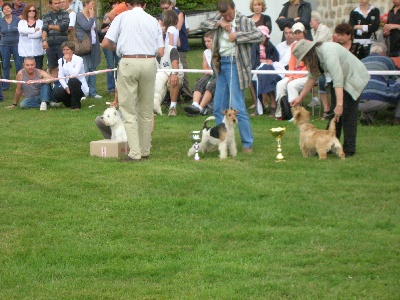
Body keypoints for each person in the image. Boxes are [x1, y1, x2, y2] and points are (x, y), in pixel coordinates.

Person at [102, 0, 164, 162]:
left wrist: (122, 48)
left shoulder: (121, 18)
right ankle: (145, 150)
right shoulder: (153, 20)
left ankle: (135, 153)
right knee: (145, 110)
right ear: (144, 5)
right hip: (150, 63)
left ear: (128, 4)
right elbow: (161, 50)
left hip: (129, 61)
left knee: (128, 110)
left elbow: (106, 43)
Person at [200, 0, 263, 153]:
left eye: (229, 14)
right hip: (220, 65)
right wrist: (220, 23)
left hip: (236, 65)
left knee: (238, 106)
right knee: (218, 107)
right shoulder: (219, 18)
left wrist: (238, 36)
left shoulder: (244, 20)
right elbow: (203, 25)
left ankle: (247, 144)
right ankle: (221, 139)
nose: (228, 18)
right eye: (224, 15)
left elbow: (259, 36)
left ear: (234, 8)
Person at [290, 39, 370, 157]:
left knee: (348, 113)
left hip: (354, 77)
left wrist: (339, 105)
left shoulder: (329, 54)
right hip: (340, 80)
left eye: (304, 59)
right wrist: (300, 98)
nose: (304, 62)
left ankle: (349, 149)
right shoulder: (316, 58)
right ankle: (327, 144)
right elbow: (312, 77)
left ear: (309, 54)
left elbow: (338, 80)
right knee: (334, 114)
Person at [358, 42, 400, 125]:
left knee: (372, 88)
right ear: (383, 52)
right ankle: (397, 118)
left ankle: (366, 116)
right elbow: (394, 77)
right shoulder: (387, 60)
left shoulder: (361, 61)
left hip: (358, 102)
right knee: (392, 86)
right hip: (379, 100)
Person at [274, 22, 308, 120]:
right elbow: (292, 63)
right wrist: (291, 75)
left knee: (291, 85)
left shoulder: (310, 44)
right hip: (295, 74)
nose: (297, 35)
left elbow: (309, 65)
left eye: (299, 33)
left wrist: (294, 76)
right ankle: (280, 114)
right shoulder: (293, 46)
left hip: (306, 75)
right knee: (280, 84)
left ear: (304, 33)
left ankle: (296, 115)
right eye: (295, 33)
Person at [160, 0, 191, 102]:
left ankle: (186, 94)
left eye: (166, 8)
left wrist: (168, 48)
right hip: (175, 49)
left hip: (172, 51)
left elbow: (171, 43)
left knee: (180, 71)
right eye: (162, 8)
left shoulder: (179, 14)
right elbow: (178, 43)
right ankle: (169, 96)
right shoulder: (175, 29)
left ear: (171, 5)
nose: (164, 10)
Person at [250, 25, 280, 117]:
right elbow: (252, 61)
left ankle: (262, 104)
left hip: (269, 68)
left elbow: (275, 58)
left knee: (266, 70)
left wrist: (269, 60)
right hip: (257, 69)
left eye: (263, 36)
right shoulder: (254, 46)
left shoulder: (270, 46)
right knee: (263, 72)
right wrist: (260, 61)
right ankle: (272, 102)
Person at [184, 30, 216, 117]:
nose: (206, 43)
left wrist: (212, 70)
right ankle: (195, 105)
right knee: (199, 83)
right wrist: (210, 70)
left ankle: (200, 108)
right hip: (210, 74)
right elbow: (205, 68)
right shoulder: (206, 52)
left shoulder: (220, 51)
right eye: (205, 41)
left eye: (209, 41)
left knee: (211, 86)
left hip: (219, 75)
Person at [247, 0, 272, 110]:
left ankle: (264, 101)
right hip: (250, 50)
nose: (257, 7)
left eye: (259, 5)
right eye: (255, 5)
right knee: (250, 77)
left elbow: (267, 32)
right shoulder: (248, 19)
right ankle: (255, 100)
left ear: (262, 6)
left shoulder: (266, 18)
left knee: (262, 74)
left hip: (263, 50)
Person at [76, 0, 102, 99]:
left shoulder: (93, 14)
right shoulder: (80, 15)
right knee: (85, 69)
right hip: (84, 46)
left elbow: (94, 28)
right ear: (86, 4)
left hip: (94, 44)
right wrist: (91, 17)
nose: (93, 5)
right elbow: (86, 27)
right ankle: (83, 92)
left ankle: (93, 92)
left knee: (93, 68)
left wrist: (101, 31)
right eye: (92, 3)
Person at [53, 41, 89, 110]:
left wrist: (68, 61)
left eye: (67, 49)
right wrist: (66, 87)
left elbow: (74, 75)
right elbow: (60, 76)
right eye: (64, 50)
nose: (65, 52)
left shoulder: (79, 59)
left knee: (73, 80)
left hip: (79, 85)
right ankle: (69, 103)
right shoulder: (61, 61)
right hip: (68, 85)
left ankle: (76, 106)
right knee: (57, 93)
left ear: (72, 50)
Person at [309, 11, 332, 113]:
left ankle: (328, 108)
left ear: (316, 20)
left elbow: (318, 43)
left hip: (328, 59)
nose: (310, 22)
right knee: (321, 80)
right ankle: (326, 107)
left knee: (324, 80)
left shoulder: (323, 29)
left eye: (311, 20)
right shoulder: (314, 31)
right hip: (319, 60)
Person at [41, 0, 69, 80]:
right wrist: (44, 40)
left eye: (59, 3)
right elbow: (44, 29)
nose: (58, 5)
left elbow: (63, 27)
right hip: (51, 45)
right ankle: (55, 85)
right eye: (55, 3)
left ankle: (64, 85)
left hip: (62, 45)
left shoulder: (65, 13)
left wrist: (50, 26)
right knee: (53, 66)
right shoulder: (46, 15)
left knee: (64, 66)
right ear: (50, 5)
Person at [0, 2, 23, 91]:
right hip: (4, 45)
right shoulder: (0, 21)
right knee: (5, 64)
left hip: (17, 45)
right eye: (5, 9)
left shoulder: (17, 20)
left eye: (8, 8)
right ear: (3, 11)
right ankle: (6, 85)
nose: (7, 10)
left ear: (11, 9)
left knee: (18, 64)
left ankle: (20, 84)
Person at [98, 0, 120, 95]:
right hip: (108, 43)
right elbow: (103, 27)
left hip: (118, 43)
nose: (114, 5)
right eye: (112, 4)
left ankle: (119, 86)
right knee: (110, 66)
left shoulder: (124, 14)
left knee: (119, 65)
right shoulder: (107, 15)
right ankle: (111, 88)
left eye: (116, 3)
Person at [18, 5, 45, 70]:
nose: (32, 12)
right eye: (30, 10)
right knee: (26, 71)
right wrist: (34, 30)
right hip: (25, 52)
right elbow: (21, 31)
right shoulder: (21, 22)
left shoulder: (40, 22)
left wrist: (28, 35)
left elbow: (40, 33)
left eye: (33, 10)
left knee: (38, 70)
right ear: (26, 12)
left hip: (38, 52)